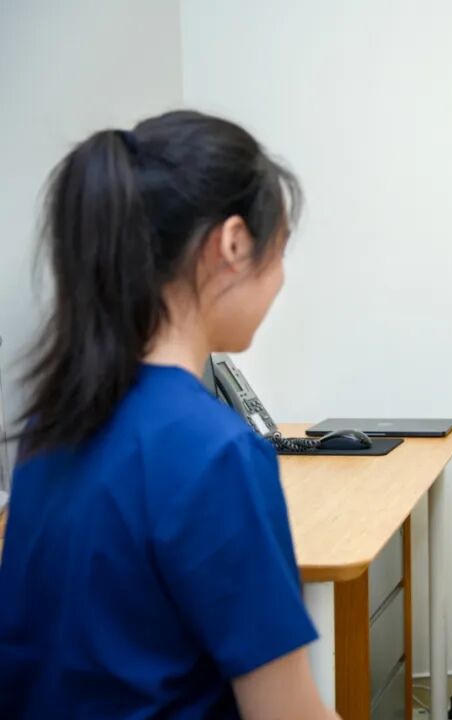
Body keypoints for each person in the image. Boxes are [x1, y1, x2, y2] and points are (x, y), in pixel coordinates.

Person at [0, 111, 338, 719]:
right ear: (233, 244)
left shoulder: (45, 426)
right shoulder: (217, 452)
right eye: (279, 251)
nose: (282, 279)